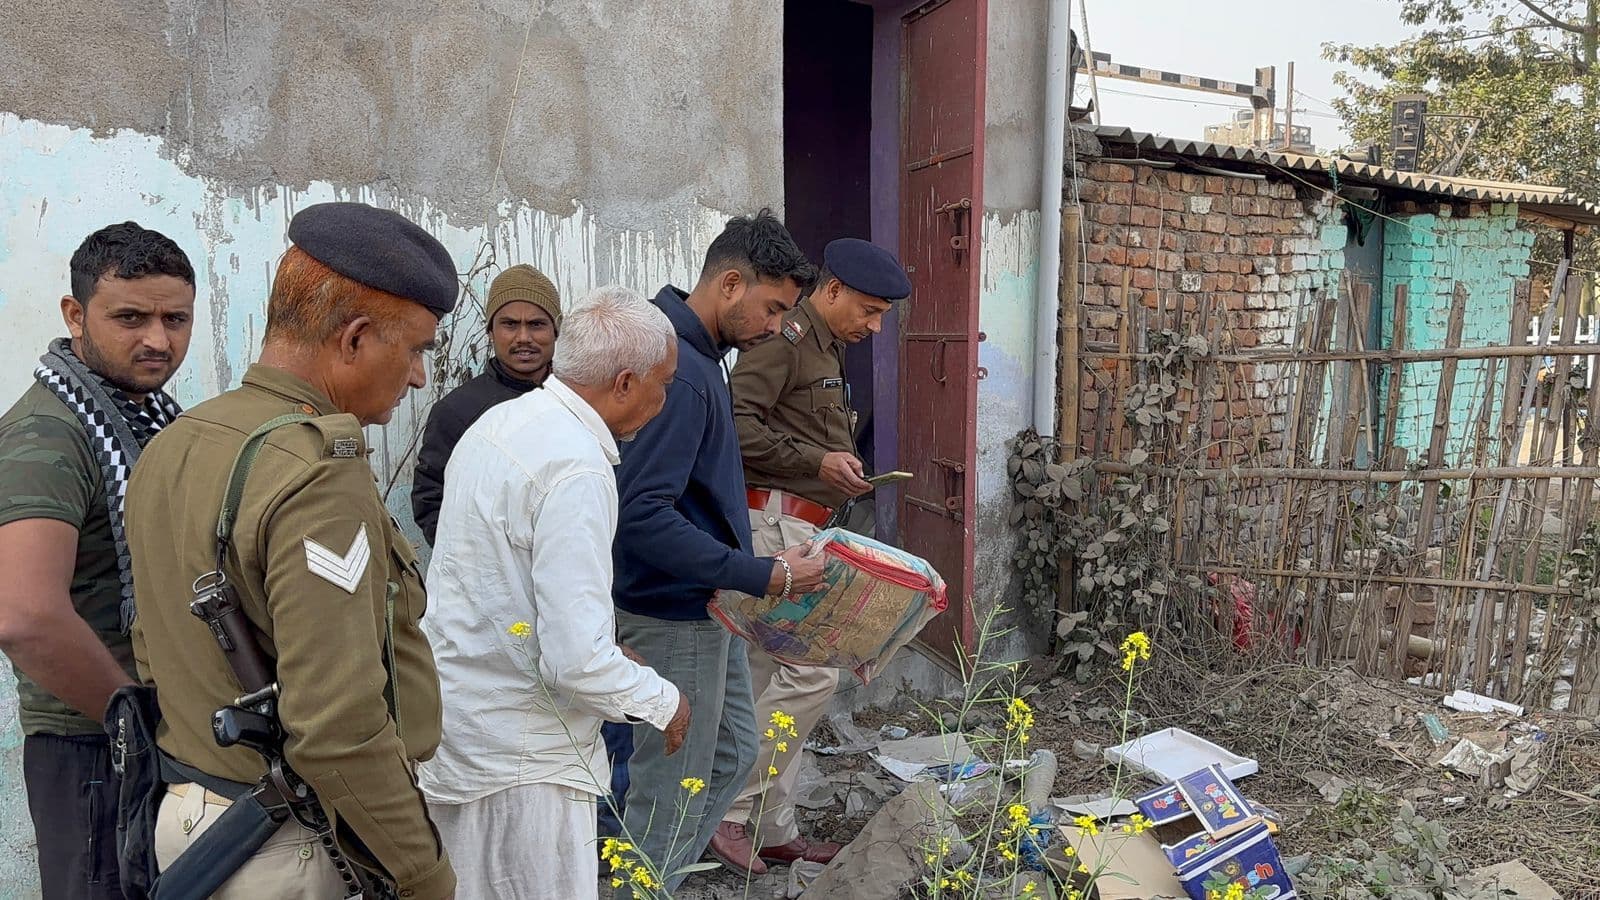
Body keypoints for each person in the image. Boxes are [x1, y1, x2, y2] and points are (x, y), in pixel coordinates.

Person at [125, 202, 458, 898]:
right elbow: (338, 727)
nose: (422, 375)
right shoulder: (314, 471)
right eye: (419, 348)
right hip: (287, 849)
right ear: (356, 338)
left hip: (192, 819)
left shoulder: (181, 439)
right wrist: (423, 873)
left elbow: (152, 646)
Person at [420, 285, 691, 900]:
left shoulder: (504, 422)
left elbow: (512, 589)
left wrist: (613, 652)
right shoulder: (575, 466)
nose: (665, 397)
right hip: (524, 760)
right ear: (625, 382)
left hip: (461, 725)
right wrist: (662, 701)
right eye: (663, 382)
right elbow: (575, 663)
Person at [611, 210, 827, 897]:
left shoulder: (699, 356)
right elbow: (641, 513)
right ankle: (640, 885)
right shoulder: (674, 365)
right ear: (730, 284)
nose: (774, 328)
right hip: (674, 614)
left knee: (732, 754)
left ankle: (658, 876)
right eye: (770, 309)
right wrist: (763, 572)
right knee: (668, 795)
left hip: (712, 608)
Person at [0, 222, 195, 900]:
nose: (158, 339)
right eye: (131, 317)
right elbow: (25, 616)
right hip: (91, 747)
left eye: (175, 318)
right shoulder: (50, 432)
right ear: (75, 316)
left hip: (147, 734)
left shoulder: (150, 420)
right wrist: (133, 722)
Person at [715, 238, 910, 873]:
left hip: (802, 529)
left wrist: (832, 468)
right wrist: (816, 461)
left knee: (776, 679)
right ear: (831, 292)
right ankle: (732, 811)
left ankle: (773, 827)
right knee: (811, 672)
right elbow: (735, 424)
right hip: (773, 526)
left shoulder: (822, 347)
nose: (874, 326)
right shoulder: (785, 340)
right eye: (870, 310)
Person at [412, 263, 561, 546]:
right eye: (510, 324)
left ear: (556, 330)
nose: (523, 338)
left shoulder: (575, 401)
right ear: (490, 331)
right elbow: (431, 498)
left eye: (537, 324)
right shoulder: (457, 411)